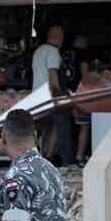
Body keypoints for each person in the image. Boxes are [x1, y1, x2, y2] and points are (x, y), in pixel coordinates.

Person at [31, 25, 74, 166]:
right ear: (59, 37)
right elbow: (52, 74)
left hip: (36, 99)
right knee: (61, 128)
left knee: (43, 131)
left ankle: (41, 160)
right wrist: (59, 98)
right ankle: (66, 163)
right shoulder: (53, 51)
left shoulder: (38, 51)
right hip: (50, 98)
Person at [61, 35, 92, 167]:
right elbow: (84, 74)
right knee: (84, 125)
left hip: (64, 92)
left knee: (66, 126)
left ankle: (64, 157)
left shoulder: (64, 54)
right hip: (78, 93)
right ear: (82, 42)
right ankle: (79, 157)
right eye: (86, 42)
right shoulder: (83, 54)